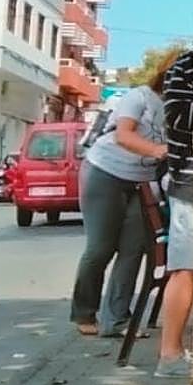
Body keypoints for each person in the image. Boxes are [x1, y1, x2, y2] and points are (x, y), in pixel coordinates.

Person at [70, 52, 176, 337]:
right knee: (101, 247)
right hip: (105, 172)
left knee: (133, 250)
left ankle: (117, 320)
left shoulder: (182, 107)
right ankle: (84, 313)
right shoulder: (140, 97)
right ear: (168, 76)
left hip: (141, 182)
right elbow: (124, 135)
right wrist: (158, 151)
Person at [155, 49, 193, 378]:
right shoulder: (187, 65)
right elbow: (179, 120)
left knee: (190, 269)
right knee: (186, 269)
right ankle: (169, 353)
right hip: (192, 183)